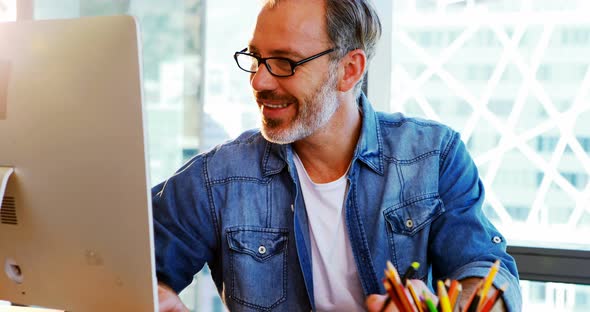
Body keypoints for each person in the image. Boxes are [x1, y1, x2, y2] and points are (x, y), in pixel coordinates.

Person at [153, 0, 522, 311]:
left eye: (285, 62)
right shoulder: (217, 177)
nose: (259, 81)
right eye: (256, 57)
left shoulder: (433, 155)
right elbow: (127, 262)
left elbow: (483, 266)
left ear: (349, 70)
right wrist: (156, 296)